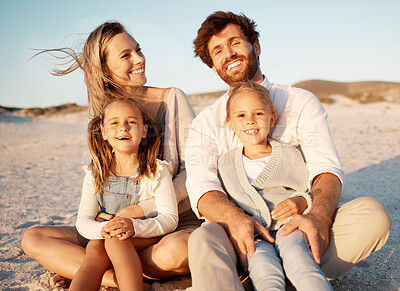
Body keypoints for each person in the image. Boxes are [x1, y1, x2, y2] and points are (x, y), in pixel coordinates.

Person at [185, 11, 391, 290]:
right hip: (241, 243)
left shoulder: (299, 101)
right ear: (213, 67)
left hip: (298, 231)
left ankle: (299, 277)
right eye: (218, 51)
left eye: (235, 43)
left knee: (372, 215)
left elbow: (325, 169)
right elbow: (201, 186)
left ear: (255, 46)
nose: (229, 54)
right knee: (202, 238)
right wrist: (236, 219)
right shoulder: (206, 121)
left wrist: (317, 216)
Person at [21, 21, 202, 288]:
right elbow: (102, 182)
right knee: (33, 239)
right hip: (114, 226)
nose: (139, 59)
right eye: (126, 55)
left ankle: (89, 269)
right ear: (105, 67)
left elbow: (193, 170)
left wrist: (139, 211)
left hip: (169, 221)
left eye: (138, 50)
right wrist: (112, 222)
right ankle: (111, 275)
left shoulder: (171, 99)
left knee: (180, 251)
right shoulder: (108, 117)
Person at [218, 81, 332, 290]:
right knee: (263, 271)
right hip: (254, 235)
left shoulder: (289, 155)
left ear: (272, 119)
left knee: (300, 262)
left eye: (258, 114)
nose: (250, 121)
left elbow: (306, 190)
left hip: (289, 228)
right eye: (241, 116)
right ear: (230, 123)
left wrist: (299, 202)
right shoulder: (225, 163)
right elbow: (225, 203)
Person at [70, 98, 178, 291]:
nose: (123, 128)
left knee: (116, 241)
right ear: (103, 132)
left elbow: (170, 218)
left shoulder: (157, 171)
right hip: (106, 235)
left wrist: (134, 226)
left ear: (144, 130)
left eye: (131, 122)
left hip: (145, 235)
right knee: (96, 248)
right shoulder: (95, 173)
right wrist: (101, 230)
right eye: (114, 123)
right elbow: (83, 220)